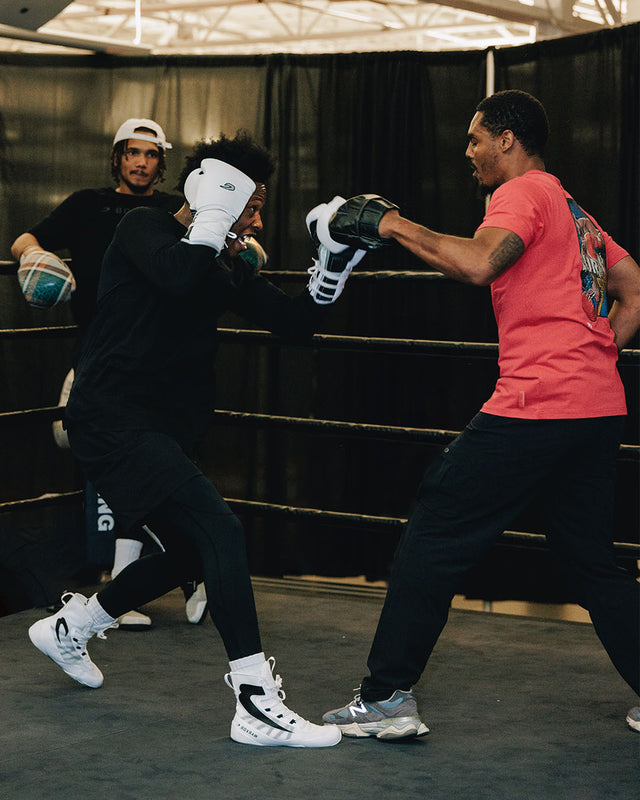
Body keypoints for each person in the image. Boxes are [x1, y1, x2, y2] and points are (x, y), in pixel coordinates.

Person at [313, 89, 640, 738]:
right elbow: (634, 289)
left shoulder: (520, 192)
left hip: (537, 405)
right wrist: (596, 353)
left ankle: (386, 698)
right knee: (589, 560)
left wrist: (389, 223)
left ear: (507, 140)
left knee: (436, 526)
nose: (467, 152)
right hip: (596, 408)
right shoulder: (575, 210)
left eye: (475, 139)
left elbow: (478, 262)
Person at [27, 130, 365, 747]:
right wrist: (213, 211)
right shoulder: (144, 229)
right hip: (110, 420)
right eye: (249, 204)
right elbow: (177, 276)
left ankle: (71, 627)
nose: (256, 220)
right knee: (221, 531)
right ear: (216, 194)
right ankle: (255, 704)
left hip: (158, 431)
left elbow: (295, 325)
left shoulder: (221, 263)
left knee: (192, 551)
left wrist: (334, 262)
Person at [10, 118, 202, 629]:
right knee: (115, 461)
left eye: (151, 155)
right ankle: (137, 581)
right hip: (98, 356)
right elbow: (25, 239)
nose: (141, 162)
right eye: (132, 153)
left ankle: (167, 573)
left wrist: (241, 247)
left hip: (160, 357)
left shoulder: (173, 209)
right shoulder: (86, 205)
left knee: (161, 460)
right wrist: (35, 255)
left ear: (161, 163)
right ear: (117, 158)